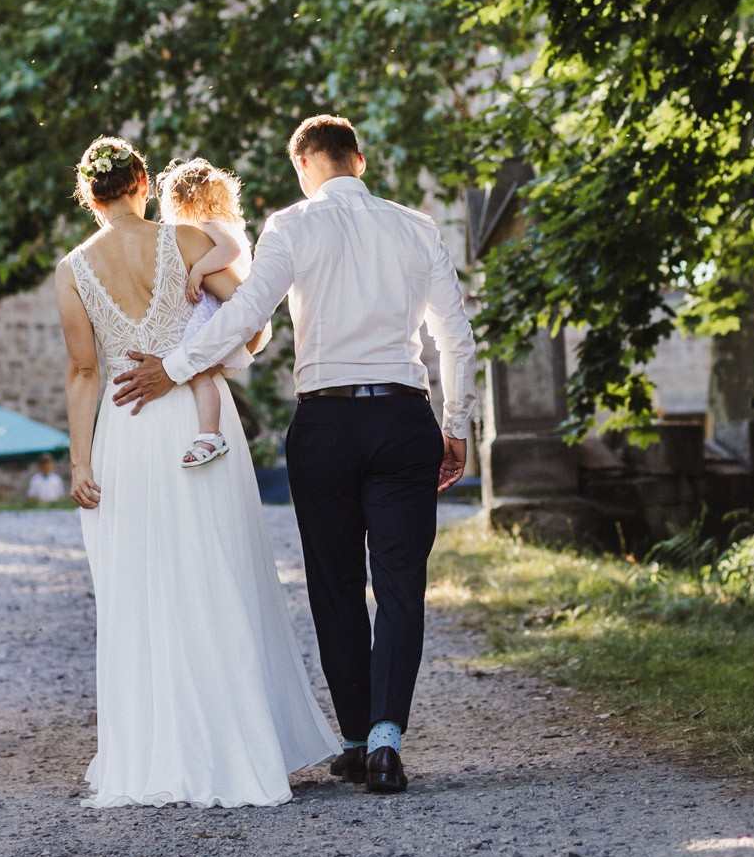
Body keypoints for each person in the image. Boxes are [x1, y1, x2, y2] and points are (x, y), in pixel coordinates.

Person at [115, 113, 477, 797]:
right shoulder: (416, 228)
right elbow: (456, 339)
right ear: (359, 161)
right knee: (401, 584)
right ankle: (385, 738)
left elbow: (248, 313)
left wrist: (174, 364)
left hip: (326, 423)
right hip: (404, 417)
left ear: (304, 165)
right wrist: (455, 426)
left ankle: (353, 735)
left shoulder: (292, 225)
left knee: (334, 582)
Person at [54, 135, 337, 807]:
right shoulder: (184, 241)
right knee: (218, 572)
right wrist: (203, 353)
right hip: (195, 418)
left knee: (143, 586)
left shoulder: (72, 269)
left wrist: (79, 460)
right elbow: (252, 323)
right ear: (143, 180)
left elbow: (83, 372)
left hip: (125, 431)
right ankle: (237, 747)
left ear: (86, 194)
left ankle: (158, 752)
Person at [157, 156, 259, 470]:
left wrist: (198, 271)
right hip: (208, 309)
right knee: (196, 373)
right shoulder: (201, 227)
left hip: (214, 313)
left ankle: (210, 435)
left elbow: (231, 251)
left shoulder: (206, 223)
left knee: (199, 372)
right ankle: (205, 430)